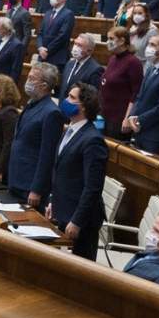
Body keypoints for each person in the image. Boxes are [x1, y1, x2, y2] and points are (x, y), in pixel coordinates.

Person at [45, 84, 107, 259]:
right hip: (64, 210)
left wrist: (77, 220)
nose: (65, 101)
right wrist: (52, 201)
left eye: (72, 98)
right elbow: (61, 171)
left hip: (83, 220)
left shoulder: (93, 140)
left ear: (84, 106)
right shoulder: (70, 130)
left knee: (81, 270)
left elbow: (93, 187)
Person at [0, 63, 63, 207]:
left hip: (29, 186)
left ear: (44, 86)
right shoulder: (31, 104)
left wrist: (37, 189)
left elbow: (47, 155)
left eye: (32, 78)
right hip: (15, 178)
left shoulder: (52, 113)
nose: (27, 81)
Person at [122, 34, 159, 152]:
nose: (148, 47)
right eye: (148, 44)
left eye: (152, 45)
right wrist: (131, 116)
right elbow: (140, 97)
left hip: (155, 134)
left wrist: (139, 119)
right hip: (140, 130)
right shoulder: (150, 69)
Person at [97, 27, 142, 137]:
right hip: (103, 115)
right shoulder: (113, 58)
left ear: (122, 41)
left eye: (111, 38)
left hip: (118, 118)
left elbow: (136, 94)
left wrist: (127, 118)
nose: (108, 42)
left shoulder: (133, 62)